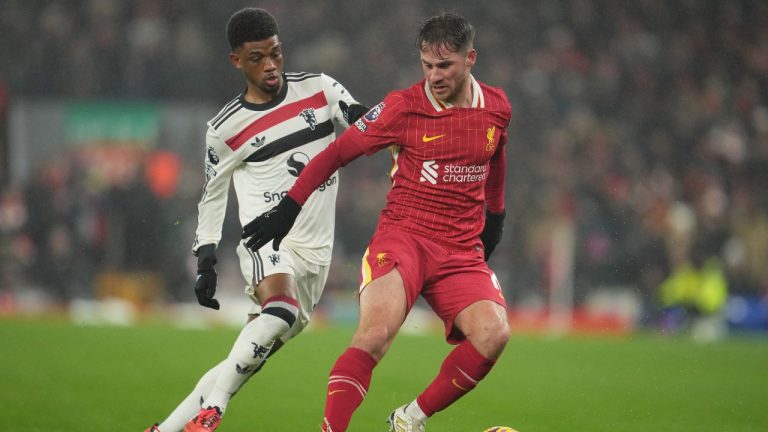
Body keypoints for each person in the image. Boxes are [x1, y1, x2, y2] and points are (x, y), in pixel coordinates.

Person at [242, 12, 511, 432]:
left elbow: (495, 162)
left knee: (494, 334)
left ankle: (409, 419)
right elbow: (335, 154)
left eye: (445, 66)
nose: (434, 76)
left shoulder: (496, 107)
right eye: (427, 65)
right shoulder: (402, 107)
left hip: (460, 249)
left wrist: (495, 218)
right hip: (404, 236)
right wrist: (288, 208)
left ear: (470, 58)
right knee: (374, 335)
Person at [144, 8, 368, 432]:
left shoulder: (320, 90)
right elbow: (212, 196)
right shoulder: (225, 128)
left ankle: (165, 429)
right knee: (278, 309)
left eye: (276, 54)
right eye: (257, 58)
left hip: (316, 257)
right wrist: (205, 258)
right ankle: (214, 413)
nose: (270, 65)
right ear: (236, 61)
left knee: (241, 362)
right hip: (267, 242)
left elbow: (367, 122)